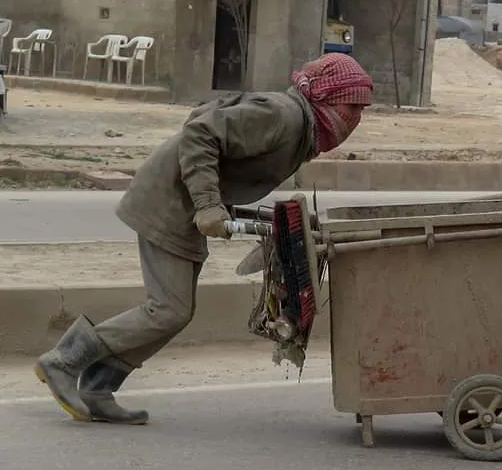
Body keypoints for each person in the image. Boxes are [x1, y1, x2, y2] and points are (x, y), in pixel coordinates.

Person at [34, 52, 374, 425]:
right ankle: (63, 362)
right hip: (168, 201)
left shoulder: (299, 129)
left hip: (185, 203)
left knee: (176, 311)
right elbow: (200, 131)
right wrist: (208, 203)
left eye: (361, 110)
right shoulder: (283, 116)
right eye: (351, 106)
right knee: (169, 309)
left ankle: (98, 387)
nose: (355, 119)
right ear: (324, 97)